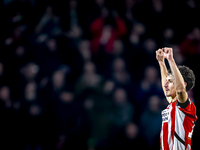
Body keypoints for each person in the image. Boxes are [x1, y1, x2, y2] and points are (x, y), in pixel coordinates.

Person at [156, 47, 197, 150]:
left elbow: (180, 90)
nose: (165, 85)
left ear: (182, 84)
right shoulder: (173, 105)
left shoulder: (187, 107)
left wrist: (170, 59)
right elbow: (167, 91)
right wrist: (161, 62)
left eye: (170, 81)